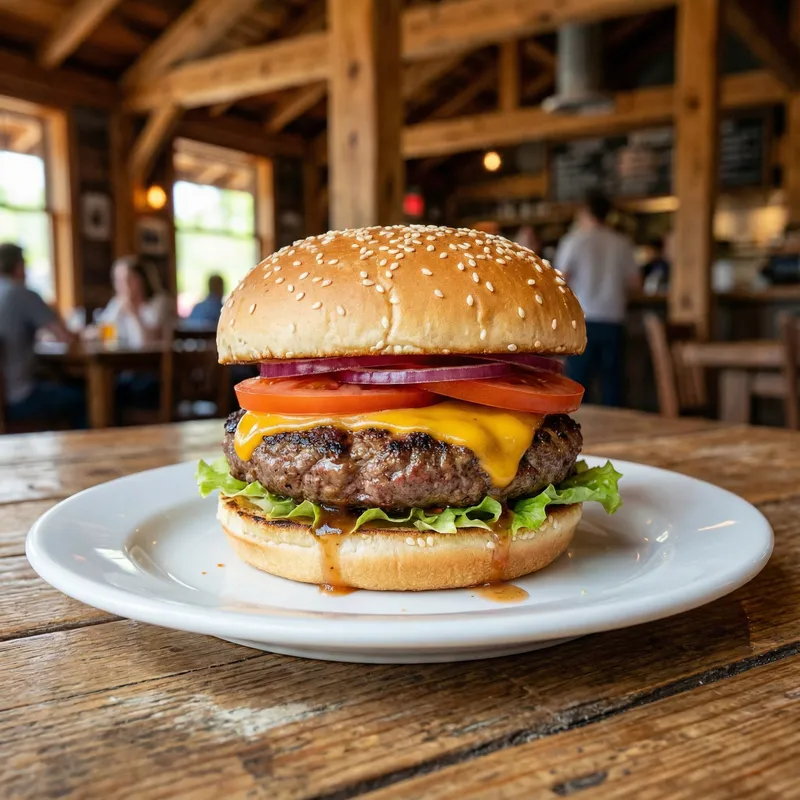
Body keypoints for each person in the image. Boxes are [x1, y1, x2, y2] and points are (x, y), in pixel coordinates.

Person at [554, 190, 640, 407]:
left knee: (578, 388)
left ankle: (579, 427)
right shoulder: (622, 242)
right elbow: (635, 283)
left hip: (583, 322)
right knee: (612, 386)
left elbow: (559, 281)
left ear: (584, 212)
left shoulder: (574, 241)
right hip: (614, 319)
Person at [0, 243, 85, 428]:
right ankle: (89, 445)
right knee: (82, 399)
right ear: (19, 267)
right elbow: (65, 337)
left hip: (4, 399)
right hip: (19, 397)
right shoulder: (21, 293)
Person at [98, 256, 174, 348]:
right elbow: (103, 329)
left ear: (141, 280)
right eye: (118, 280)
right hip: (123, 355)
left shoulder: (160, 303)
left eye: (127, 279)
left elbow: (148, 341)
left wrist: (133, 313)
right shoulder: (116, 303)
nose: (122, 285)